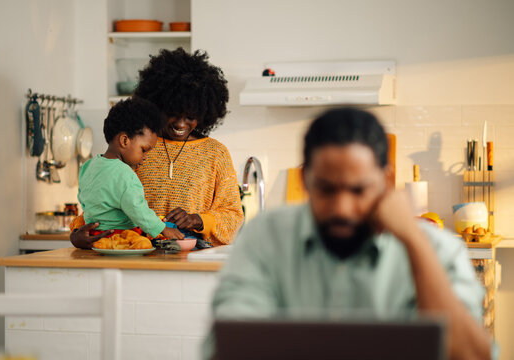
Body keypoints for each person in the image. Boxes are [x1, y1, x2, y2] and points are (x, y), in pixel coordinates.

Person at [203, 108, 492, 360]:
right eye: (327, 189)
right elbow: (225, 348)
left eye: (359, 190)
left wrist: (414, 241)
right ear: (305, 180)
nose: (342, 208)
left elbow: (470, 356)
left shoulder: (437, 249)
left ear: (386, 180)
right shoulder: (264, 238)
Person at [71, 48, 244, 248]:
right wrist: (76, 233)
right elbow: (103, 201)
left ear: (205, 112)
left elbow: (233, 218)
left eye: (190, 116)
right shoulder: (136, 146)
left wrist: (198, 219)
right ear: (159, 105)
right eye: (173, 113)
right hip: (135, 252)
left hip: (191, 257)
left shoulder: (215, 153)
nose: (181, 124)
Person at [77, 97, 184, 242]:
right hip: (121, 237)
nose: (146, 157)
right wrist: (163, 229)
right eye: (144, 150)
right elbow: (138, 210)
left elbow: (83, 201)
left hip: (95, 236)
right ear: (124, 140)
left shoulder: (87, 166)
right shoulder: (125, 174)